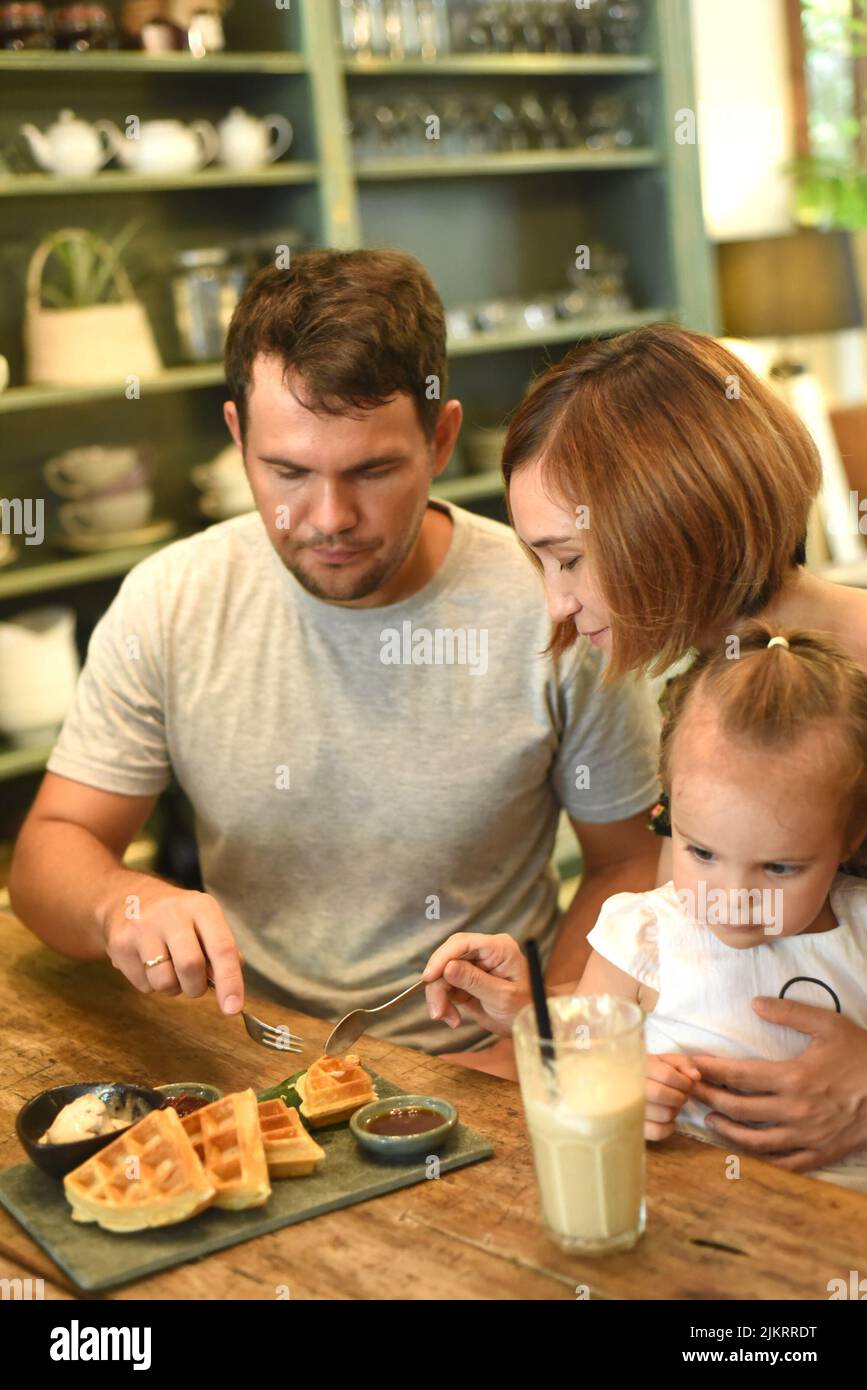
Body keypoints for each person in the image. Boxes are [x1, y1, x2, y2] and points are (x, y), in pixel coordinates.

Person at [9, 248, 662, 1070]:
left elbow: (631, 861)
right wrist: (123, 903)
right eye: (286, 471)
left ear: (441, 437)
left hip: (479, 1063)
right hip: (246, 1053)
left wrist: (542, 1030)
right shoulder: (171, 600)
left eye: (374, 470)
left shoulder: (555, 607)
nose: (327, 517)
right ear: (237, 436)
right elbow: (50, 849)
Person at [484, 321, 867, 1151]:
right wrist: (546, 1020)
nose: (555, 602)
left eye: (570, 558)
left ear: (668, 524)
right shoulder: (701, 702)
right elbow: (687, 973)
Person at [422, 621, 867, 1186]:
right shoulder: (641, 936)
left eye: (780, 867)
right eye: (701, 852)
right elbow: (577, 1070)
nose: (733, 899)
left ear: (851, 835)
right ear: (667, 808)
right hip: (686, 1214)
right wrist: (625, 1090)